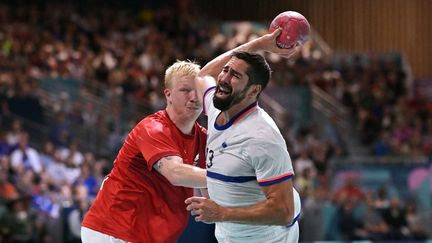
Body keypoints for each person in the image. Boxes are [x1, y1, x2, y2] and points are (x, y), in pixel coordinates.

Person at [185, 29, 302, 242]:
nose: (224, 78)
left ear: (253, 91)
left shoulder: (262, 137)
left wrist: (222, 213)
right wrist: (259, 45)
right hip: (230, 235)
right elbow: (204, 76)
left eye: (235, 76)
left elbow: (284, 210)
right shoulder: (217, 107)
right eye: (226, 70)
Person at [81, 61, 208, 243]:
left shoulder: (204, 139)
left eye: (199, 90)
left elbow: (211, 193)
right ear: (168, 95)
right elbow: (175, 172)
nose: (194, 97)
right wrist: (230, 178)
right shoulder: (153, 128)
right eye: (185, 90)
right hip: (114, 231)